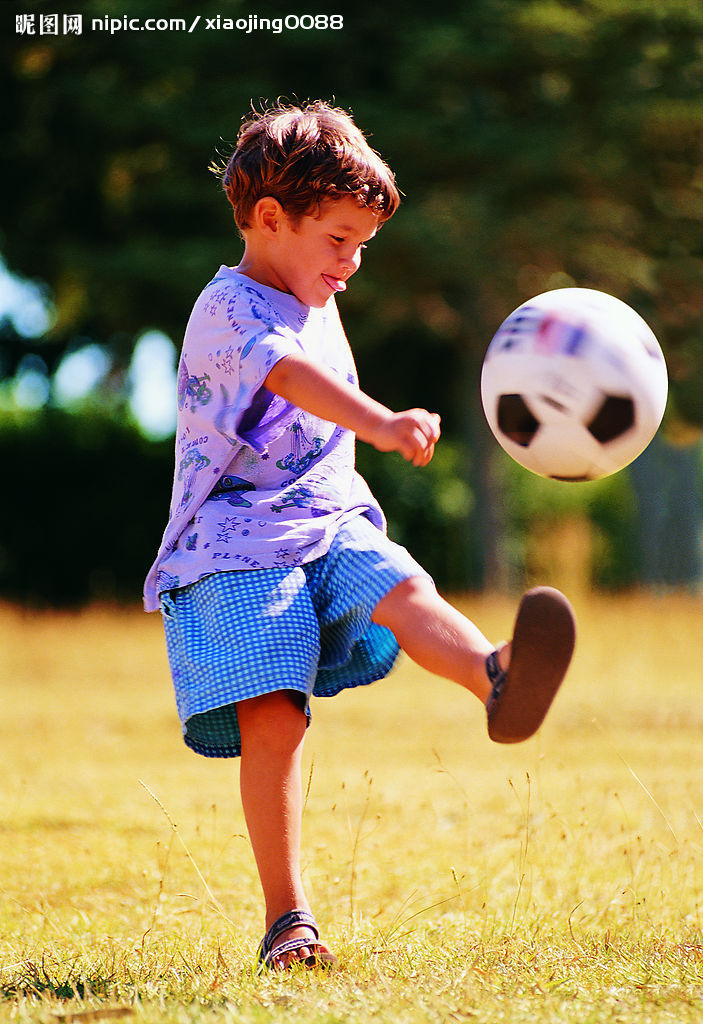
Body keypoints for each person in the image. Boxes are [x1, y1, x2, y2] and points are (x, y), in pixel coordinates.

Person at [143, 100, 576, 972]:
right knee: (275, 719)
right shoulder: (226, 306)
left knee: (405, 587)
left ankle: (495, 676)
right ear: (269, 219)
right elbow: (292, 377)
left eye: (361, 248)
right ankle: (287, 919)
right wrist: (381, 423)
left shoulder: (313, 292)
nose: (350, 264)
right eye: (337, 240)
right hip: (234, 545)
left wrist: (367, 444)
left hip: (328, 516)